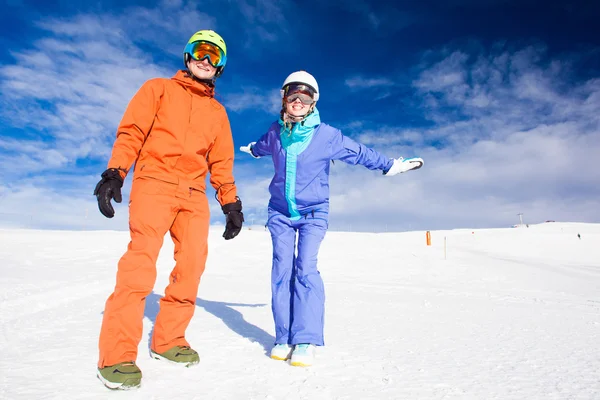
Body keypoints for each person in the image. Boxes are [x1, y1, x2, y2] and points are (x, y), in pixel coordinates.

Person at [239, 71, 423, 367]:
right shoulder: (275, 132)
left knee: (305, 269)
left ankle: (305, 339)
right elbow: (262, 145)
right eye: (293, 94)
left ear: (313, 102)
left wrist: (390, 166)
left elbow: (359, 152)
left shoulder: (328, 136)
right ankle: (283, 337)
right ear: (284, 98)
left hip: (313, 214)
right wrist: (253, 150)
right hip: (279, 213)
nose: (298, 100)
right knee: (281, 270)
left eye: (305, 95)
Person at [93, 30, 244, 390]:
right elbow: (131, 132)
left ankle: (169, 340)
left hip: (193, 194)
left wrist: (230, 202)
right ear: (187, 56)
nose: (205, 60)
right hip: (154, 183)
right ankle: (116, 355)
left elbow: (221, 162)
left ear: (220, 66)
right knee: (141, 263)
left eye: (214, 56)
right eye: (199, 52)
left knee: (192, 265)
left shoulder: (218, 113)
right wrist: (116, 172)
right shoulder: (157, 89)